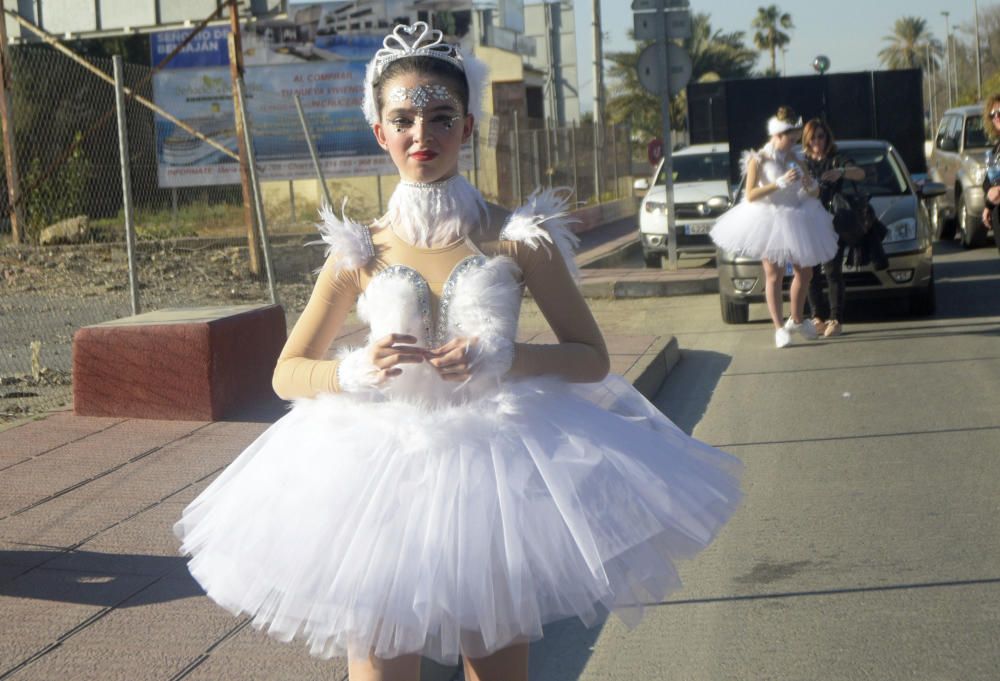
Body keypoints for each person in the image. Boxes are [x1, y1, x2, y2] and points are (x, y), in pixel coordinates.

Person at [174, 22, 742, 681]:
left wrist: (506, 357)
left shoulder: (518, 236)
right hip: (376, 483)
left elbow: (591, 357)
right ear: (380, 131)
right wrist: (356, 369)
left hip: (497, 478)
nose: (424, 136)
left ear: (468, 128)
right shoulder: (359, 251)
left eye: (441, 117)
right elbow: (286, 373)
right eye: (405, 119)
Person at [710, 106, 839, 348]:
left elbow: (811, 189)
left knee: (806, 271)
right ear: (777, 135)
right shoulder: (758, 159)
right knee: (774, 274)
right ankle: (779, 327)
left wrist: (810, 186)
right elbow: (750, 195)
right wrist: (778, 183)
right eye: (790, 139)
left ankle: (797, 319)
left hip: (797, 215)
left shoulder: (796, 157)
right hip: (769, 218)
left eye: (795, 139)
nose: (793, 143)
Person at [801, 118, 865, 337]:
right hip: (807, 220)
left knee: (832, 270)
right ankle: (817, 316)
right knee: (810, 271)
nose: (817, 141)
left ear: (827, 138)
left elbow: (860, 173)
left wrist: (841, 172)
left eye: (821, 136)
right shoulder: (803, 162)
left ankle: (835, 318)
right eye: (813, 137)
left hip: (831, 220)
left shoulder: (836, 159)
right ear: (806, 140)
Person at [981, 94, 1000, 232]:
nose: (997, 117)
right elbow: (988, 181)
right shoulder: (995, 149)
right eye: (993, 114)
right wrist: (988, 206)